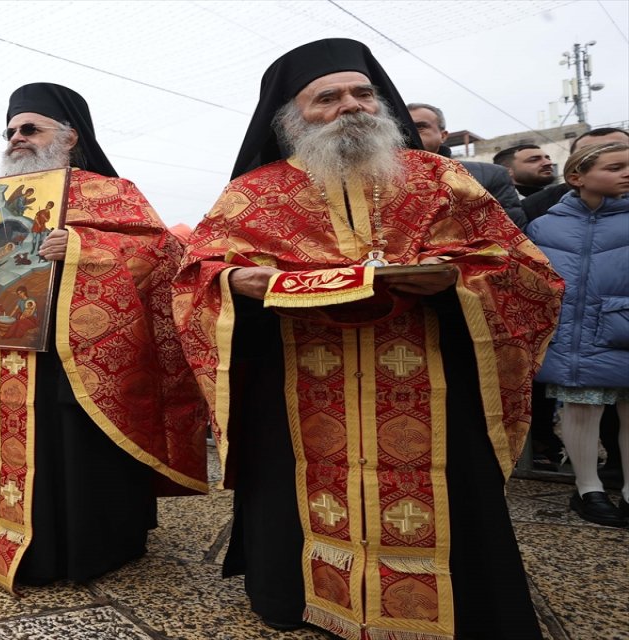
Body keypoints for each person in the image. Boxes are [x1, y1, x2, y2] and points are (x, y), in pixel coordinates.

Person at [173, 39, 563, 638]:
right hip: (298, 382)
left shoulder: (442, 179)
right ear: (292, 116)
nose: (350, 106)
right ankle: (305, 595)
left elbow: (524, 269)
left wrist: (454, 279)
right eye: (326, 97)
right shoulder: (253, 193)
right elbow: (196, 275)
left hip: (430, 372)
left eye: (361, 93)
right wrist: (232, 282)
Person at [0, 83, 208, 592]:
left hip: (69, 361)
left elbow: (160, 259)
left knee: (63, 453)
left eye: (30, 128)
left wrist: (85, 248)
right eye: (11, 130)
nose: (17, 138)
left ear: (69, 138)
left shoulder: (113, 192)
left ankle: (75, 545)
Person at [525, 142, 629, 527]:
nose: (625, 173)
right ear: (577, 177)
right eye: (615, 167)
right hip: (572, 330)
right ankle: (588, 488)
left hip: (622, 325)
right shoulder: (545, 224)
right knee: (581, 406)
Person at [407, 102, 525, 227]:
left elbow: (510, 231)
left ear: (443, 135)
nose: (408, 134)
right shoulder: (385, 179)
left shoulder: (490, 175)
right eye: (401, 129)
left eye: (419, 127)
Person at [522, 127, 629, 223]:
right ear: (572, 161)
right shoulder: (535, 209)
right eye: (590, 152)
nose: (605, 155)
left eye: (618, 148)